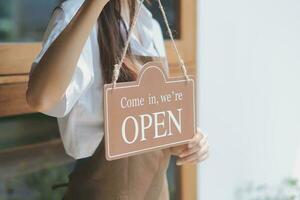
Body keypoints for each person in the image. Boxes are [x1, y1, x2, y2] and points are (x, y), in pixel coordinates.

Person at [26, 0, 209, 199]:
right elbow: (41, 98)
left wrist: (180, 139)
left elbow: (149, 119)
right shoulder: (76, 13)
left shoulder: (149, 23)